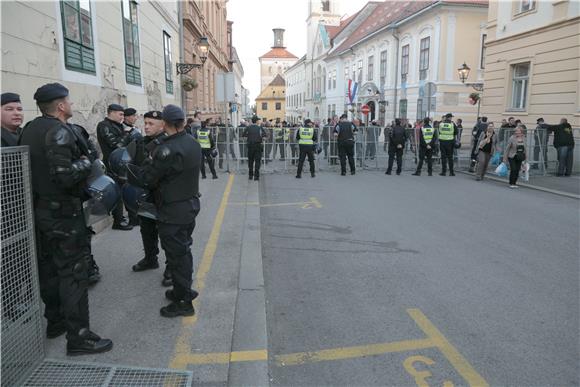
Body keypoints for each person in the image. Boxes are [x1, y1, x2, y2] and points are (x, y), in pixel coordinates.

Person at [19, 83, 113, 354]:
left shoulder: (30, 128)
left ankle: (56, 322)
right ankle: (79, 337)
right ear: (60, 106)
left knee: (49, 269)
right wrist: (88, 161)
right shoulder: (59, 130)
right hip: (64, 213)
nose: (71, 105)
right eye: (68, 101)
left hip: (41, 212)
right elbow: (64, 174)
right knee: (74, 273)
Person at [127, 105, 201, 317]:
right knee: (183, 251)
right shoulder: (192, 142)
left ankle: (184, 301)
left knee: (177, 256)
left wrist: (133, 172)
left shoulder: (166, 149)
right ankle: (182, 289)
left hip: (173, 209)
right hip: (189, 204)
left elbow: (148, 179)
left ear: (166, 124)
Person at [129, 111, 168, 279]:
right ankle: (151, 258)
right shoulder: (140, 142)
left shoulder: (168, 143)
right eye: (145, 123)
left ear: (162, 125)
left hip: (163, 195)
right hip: (145, 194)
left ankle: (171, 267)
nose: (146, 126)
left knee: (167, 233)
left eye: (151, 123)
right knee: (146, 228)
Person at [96, 104, 132, 230]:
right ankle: (118, 221)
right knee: (117, 192)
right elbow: (116, 144)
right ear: (111, 113)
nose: (122, 117)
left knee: (122, 191)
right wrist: (127, 134)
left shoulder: (118, 125)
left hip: (121, 163)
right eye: (120, 114)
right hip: (111, 164)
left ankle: (120, 217)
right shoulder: (104, 126)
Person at [243, 116, 266, 180]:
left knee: (250, 161)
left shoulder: (248, 128)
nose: (259, 121)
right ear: (256, 121)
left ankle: (250, 175)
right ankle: (256, 176)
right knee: (257, 161)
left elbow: (244, 137)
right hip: (258, 146)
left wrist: (249, 139)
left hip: (250, 146)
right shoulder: (260, 128)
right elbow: (264, 138)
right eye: (258, 120)